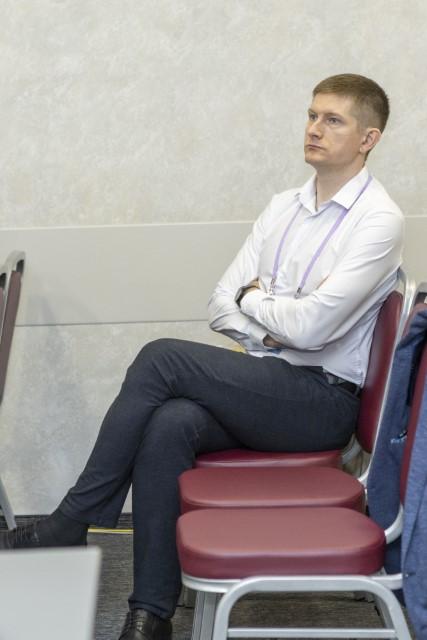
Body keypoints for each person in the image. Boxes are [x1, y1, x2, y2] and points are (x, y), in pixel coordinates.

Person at [0, 73, 404, 640]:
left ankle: (70, 521)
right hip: (269, 380)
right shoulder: (283, 207)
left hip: (322, 403)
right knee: (170, 422)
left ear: (368, 138)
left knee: (161, 358)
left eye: (333, 120)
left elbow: (313, 328)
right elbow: (220, 303)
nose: (314, 128)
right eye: (312, 115)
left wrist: (255, 300)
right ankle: (149, 615)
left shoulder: (379, 220)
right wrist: (274, 329)